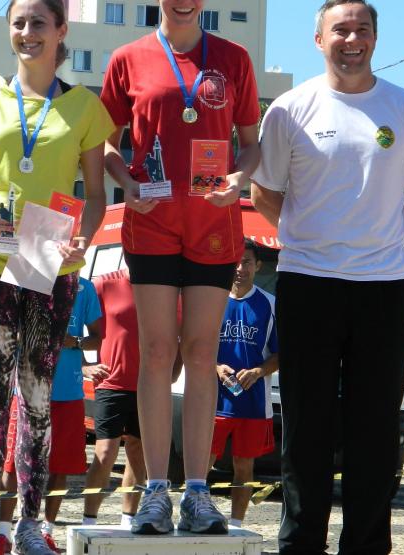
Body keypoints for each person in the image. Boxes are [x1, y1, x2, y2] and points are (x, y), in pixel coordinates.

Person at [250, 1, 404, 552]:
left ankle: (366, 545)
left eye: (362, 29)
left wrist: (379, 236)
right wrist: (312, 237)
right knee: (305, 428)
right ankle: (300, 544)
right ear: (319, 39)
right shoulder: (289, 109)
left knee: (373, 431)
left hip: (382, 287)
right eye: (340, 29)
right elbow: (263, 193)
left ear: (375, 39)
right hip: (307, 282)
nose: (352, 39)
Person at [0, 0, 113, 552]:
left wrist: (85, 236)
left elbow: (95, 194)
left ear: (61, 30)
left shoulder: (84, 107)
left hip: (49, 257)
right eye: (18, 22)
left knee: (37, 397)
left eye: (39, 22)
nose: (27, 32)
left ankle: (30, 524)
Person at [99, 0, 262, 535]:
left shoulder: (234, 58)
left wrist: (238, 179)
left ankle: (196, 491)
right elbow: (107, 145)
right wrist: (127, 183)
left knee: (200, 352)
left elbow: (251, 145)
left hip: (214, 223)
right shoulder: (127, 58)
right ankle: (153, 491)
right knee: (155, 352)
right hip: (152, 220)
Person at [0, 275, 102, 552]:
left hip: (68, 393)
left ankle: (46, 531)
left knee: (60, 466)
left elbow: (98, 338)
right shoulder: (26, 279)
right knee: (12, 464)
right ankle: (3, 533)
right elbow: (5, 331)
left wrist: (74, 341)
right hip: (27, 390)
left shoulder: (84, 287)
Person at [209, 239, 278, 529]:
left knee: (244, 465)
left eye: (246, 262)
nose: (240, 268)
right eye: (235, 262)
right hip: (213, 400)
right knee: (202, 462)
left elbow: (280, 355)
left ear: (257, 266)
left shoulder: (270, 304)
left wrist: (259, 371)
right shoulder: (211, 299)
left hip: (253, 404)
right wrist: (215, 367)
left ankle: (236, 525)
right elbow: (193, 345)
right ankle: (196, 516)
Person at [81, 268, 148, 529]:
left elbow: (175, 332)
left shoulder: (159, 286)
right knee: (105, 452)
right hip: (111, 383)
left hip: (147, 386)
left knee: (137, 451)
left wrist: (173, 371)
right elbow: (76, 325)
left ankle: (128, 521)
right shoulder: (103, 284)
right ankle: (88, 521)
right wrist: (85, 366)